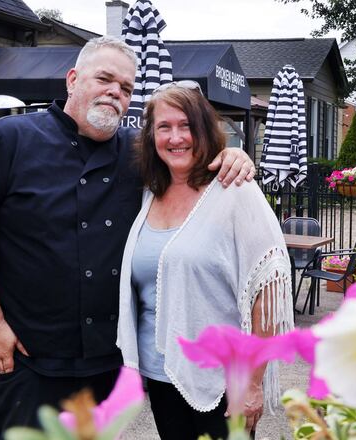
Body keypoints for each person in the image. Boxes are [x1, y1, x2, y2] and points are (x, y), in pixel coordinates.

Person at [0, 36, 255, 439]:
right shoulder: (5, 140)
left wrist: (231, 157)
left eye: (126, 88)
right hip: (29, 363)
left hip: (107, 366)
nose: (115, 93)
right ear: (72, 79)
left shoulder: (140, 155)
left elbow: (190, 159)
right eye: (105, 79)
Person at [116, 83, 295, 438]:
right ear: (151, 135)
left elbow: (268, 286)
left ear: (203, 130)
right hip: (161, 372)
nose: (175, 137)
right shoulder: (150, 192)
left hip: (222, 381)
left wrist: (253, 383)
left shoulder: (234, 190)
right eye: (164, 127)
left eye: (186, 126)